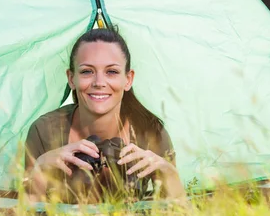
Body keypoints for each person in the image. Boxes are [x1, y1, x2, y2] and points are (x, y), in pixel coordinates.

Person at [24, 27, 185, 203]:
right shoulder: (44, 132)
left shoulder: (151, 132)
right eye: (87, 71)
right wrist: (39, 170)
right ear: (71, 79)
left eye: (112, 72)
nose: (99, 83)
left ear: (128, 79)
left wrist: (169, 173)